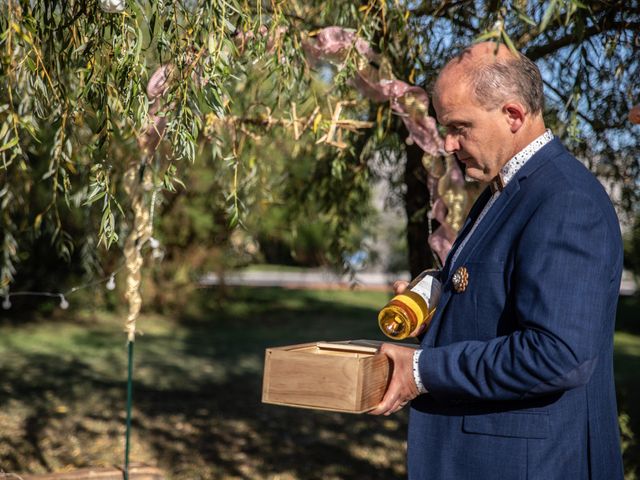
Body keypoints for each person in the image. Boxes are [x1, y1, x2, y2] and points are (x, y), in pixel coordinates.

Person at [370, 42, 624, 480]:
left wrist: (420, 370)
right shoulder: (506, 188)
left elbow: (558, 354)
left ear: (513, 115)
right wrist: (442, 311)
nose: (448, 144)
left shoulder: (564, 199)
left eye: (459, 127)